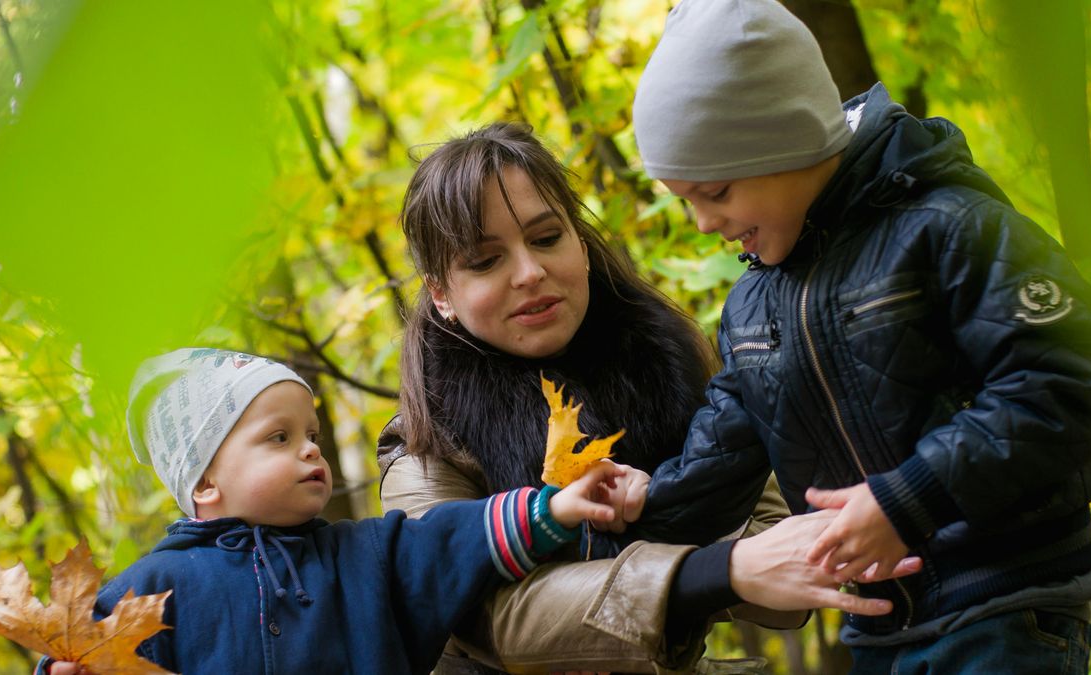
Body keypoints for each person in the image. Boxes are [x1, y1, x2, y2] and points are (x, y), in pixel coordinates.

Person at [603, 0, 1091, 672]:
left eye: (718, 191)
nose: (704, 222)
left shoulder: (945, 226)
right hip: (880, 624)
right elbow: (724, 452)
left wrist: (909, 499)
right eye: (685, 200)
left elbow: (1060, 384)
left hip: (1005, 603)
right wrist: (648, 503)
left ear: (783, 139)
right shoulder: (754, 305)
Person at [384, 121, 920, 674]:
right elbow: (489, 619)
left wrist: (662, 504)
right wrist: (720, 571)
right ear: (442, 293)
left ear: (582, 245)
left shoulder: (670, 366)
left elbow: (769, 529)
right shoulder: (427, 443)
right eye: (485, 260)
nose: (530, 272)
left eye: (547, 239)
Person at [39, 347, 635, 675]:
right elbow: (84, 652)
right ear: (205, 484)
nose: (309, 448)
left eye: (312, 433)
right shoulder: (154, 588)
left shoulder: (365, 556)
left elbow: (453, 541)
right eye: (279, 438)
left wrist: (554, 508)